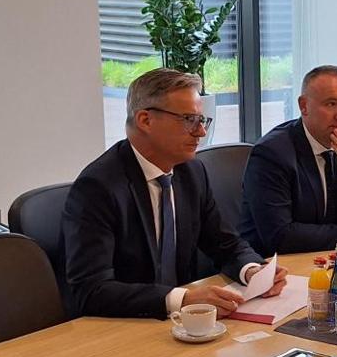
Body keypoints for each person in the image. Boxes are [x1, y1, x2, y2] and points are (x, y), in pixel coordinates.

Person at [62, 68, 286, 319]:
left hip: (185, 323)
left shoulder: (191, 171)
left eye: (202, 120)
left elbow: (225, 244)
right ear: (145, 120)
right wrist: (181, 299)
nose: (201, 132)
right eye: (189, 120)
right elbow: (91, 291)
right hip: (125, 324)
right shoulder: (98, 187)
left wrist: (252, 270)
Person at [238, 65, 337, 254]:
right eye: (331, 104)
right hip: (275, 265)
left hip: (331, 258)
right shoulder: (272, 154)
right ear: (304, 106)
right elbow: (280, 237)